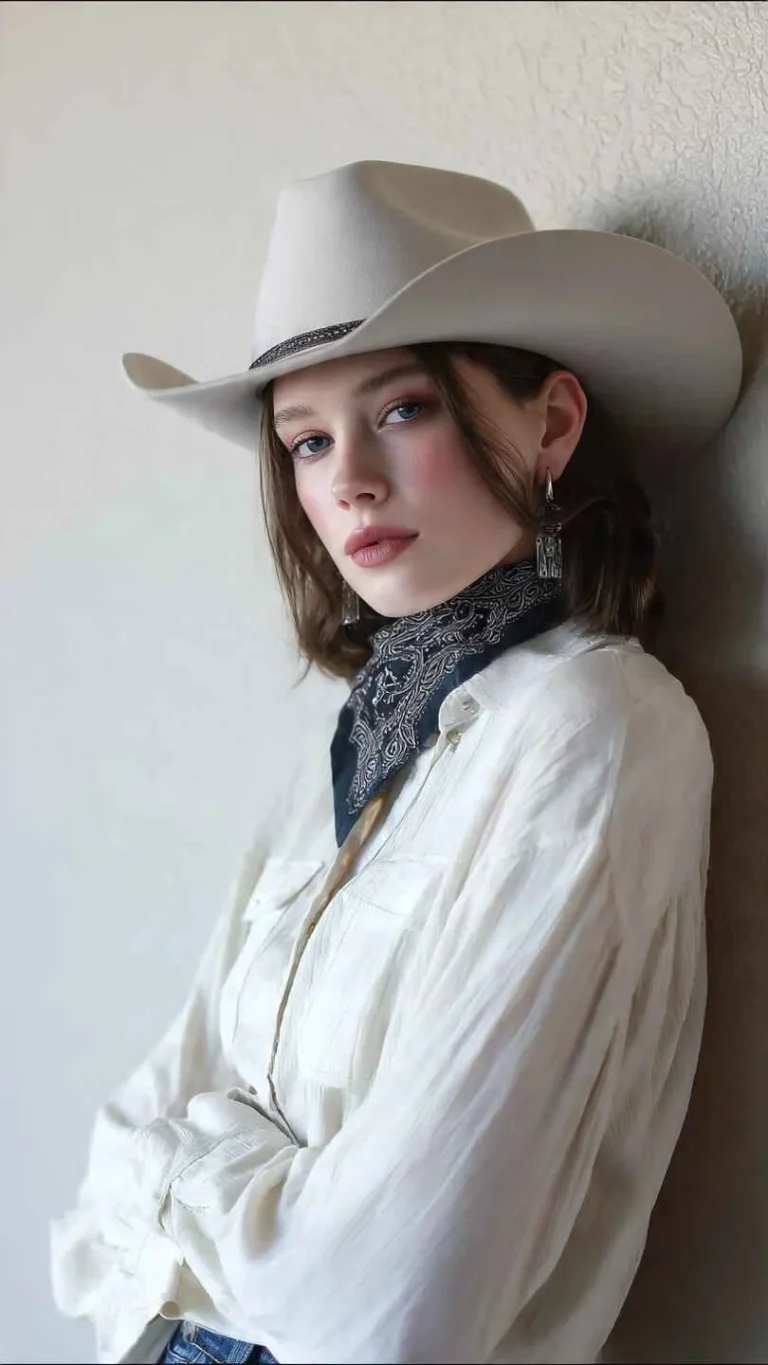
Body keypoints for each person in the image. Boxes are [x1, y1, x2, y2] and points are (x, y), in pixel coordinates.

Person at [50, 161, 742, 1365]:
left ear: (552, 422)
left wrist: (190, 1177)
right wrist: (246, 1190)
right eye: (306, 442)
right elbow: (109, 1164)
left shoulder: (599, 726)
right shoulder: (357, 739)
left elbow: (385, 1305)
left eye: (403, 410)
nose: (348, 480)